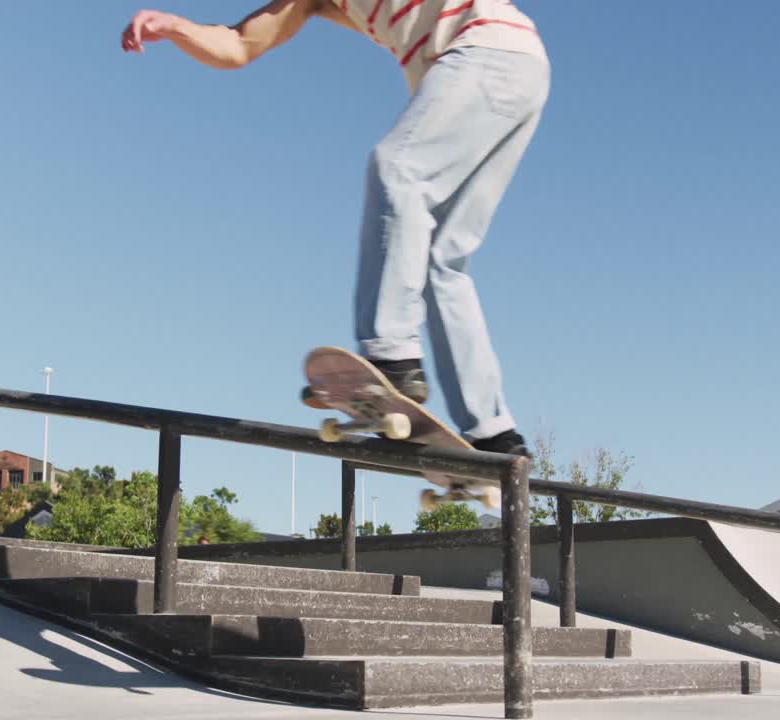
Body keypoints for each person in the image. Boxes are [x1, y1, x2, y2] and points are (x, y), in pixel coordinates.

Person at [122, 1, 549, 458]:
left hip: (484, 52)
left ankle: (392, 354)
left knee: (398, 168)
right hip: (517, 70)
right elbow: (238, 45)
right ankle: (493, 433)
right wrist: (176, 27)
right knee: (441, 261)